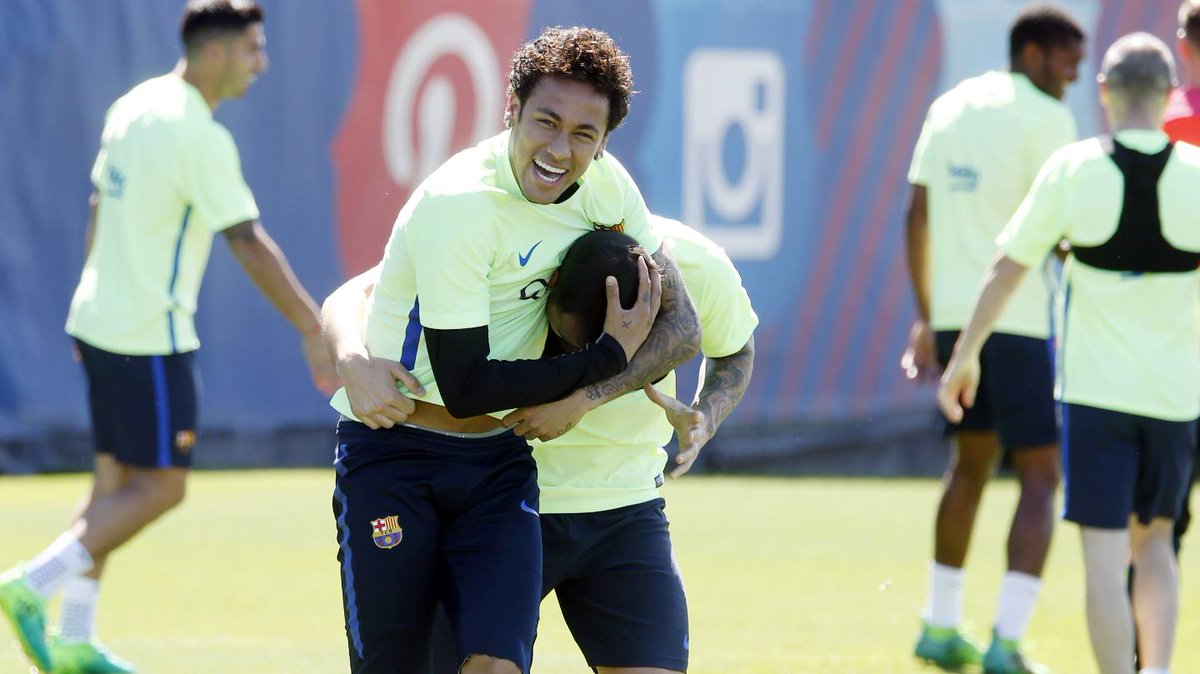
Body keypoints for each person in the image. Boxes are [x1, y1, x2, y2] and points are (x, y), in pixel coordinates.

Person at [321, 26, 701, 674]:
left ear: (605, 143)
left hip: (498, 466)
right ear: (512, 110)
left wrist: (585, 397)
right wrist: (605, 360)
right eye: (546, 122)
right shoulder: (461, 202)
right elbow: (465, 387)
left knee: (497, 666)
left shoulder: (607, 190)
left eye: (584, 134)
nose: (560, 149)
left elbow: (680, 324)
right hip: (395, 455)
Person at [0, 2, 340, 673]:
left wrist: (88, 296)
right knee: (162, 488)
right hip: (147, 338)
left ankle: (74, 637)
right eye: (252, 49)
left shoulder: (134, 105)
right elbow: (247, 240)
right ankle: (32, 583)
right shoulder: (197, 134)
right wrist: (311, 325)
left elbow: (99, 205)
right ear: (216, 52)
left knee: (112, 484)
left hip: (100, 322)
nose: (262, 63)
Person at [325, 219, 756, 673]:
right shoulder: (521, 240)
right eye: (566, 344)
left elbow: (734, 348)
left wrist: (706, 415)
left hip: (625, 507)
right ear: (552, 284)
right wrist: (351, 360)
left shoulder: (697, 264)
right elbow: (358, 292)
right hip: (501, 503)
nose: (578, 362)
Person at [940, 33, 1199, 674]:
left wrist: (966, 354)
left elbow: (1007, 268)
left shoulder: (1074, 168)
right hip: (1175, 399)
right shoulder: (1197, 175)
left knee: (1104, 561)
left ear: (1103, 92)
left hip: (1095, 398)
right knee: (1157, 544)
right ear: (1169, 94)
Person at [901, 5, 1085, 672]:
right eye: (1068, 63)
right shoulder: (1049, 117)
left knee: (970, 466)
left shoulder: (949, 107)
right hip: (1020, 320)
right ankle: (1006, 642)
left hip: (957, 321)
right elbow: (1062, 232)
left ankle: (939, 626)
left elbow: (916, 215)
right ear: (1033, 53)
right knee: (1042, 474)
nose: (1073, 77)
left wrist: (929, 317)